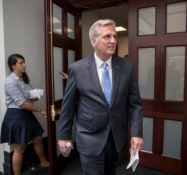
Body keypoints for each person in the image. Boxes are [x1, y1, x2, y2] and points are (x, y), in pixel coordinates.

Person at [58, 19, 143, 175]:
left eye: (115, 36)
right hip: (89, 138)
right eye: (107, 36)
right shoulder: (78, 69)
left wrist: (136, 133)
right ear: (93, 41)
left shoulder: (126, 67)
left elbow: (135, 104)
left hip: (116, 139)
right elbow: (68, 106)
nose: (113, 41)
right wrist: (64, 136)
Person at [0, 54, 49, 175]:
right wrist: (40, 110)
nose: (24, 65)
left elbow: (28, 96)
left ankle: (43, 162)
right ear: (13, 66)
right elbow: (21, 103)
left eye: (24, 62)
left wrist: (35, 95)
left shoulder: (23, 78)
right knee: (20, 148)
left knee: (38, 138)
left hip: (26, 114)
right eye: (21, 63)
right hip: (16, 115)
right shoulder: (10, 82)